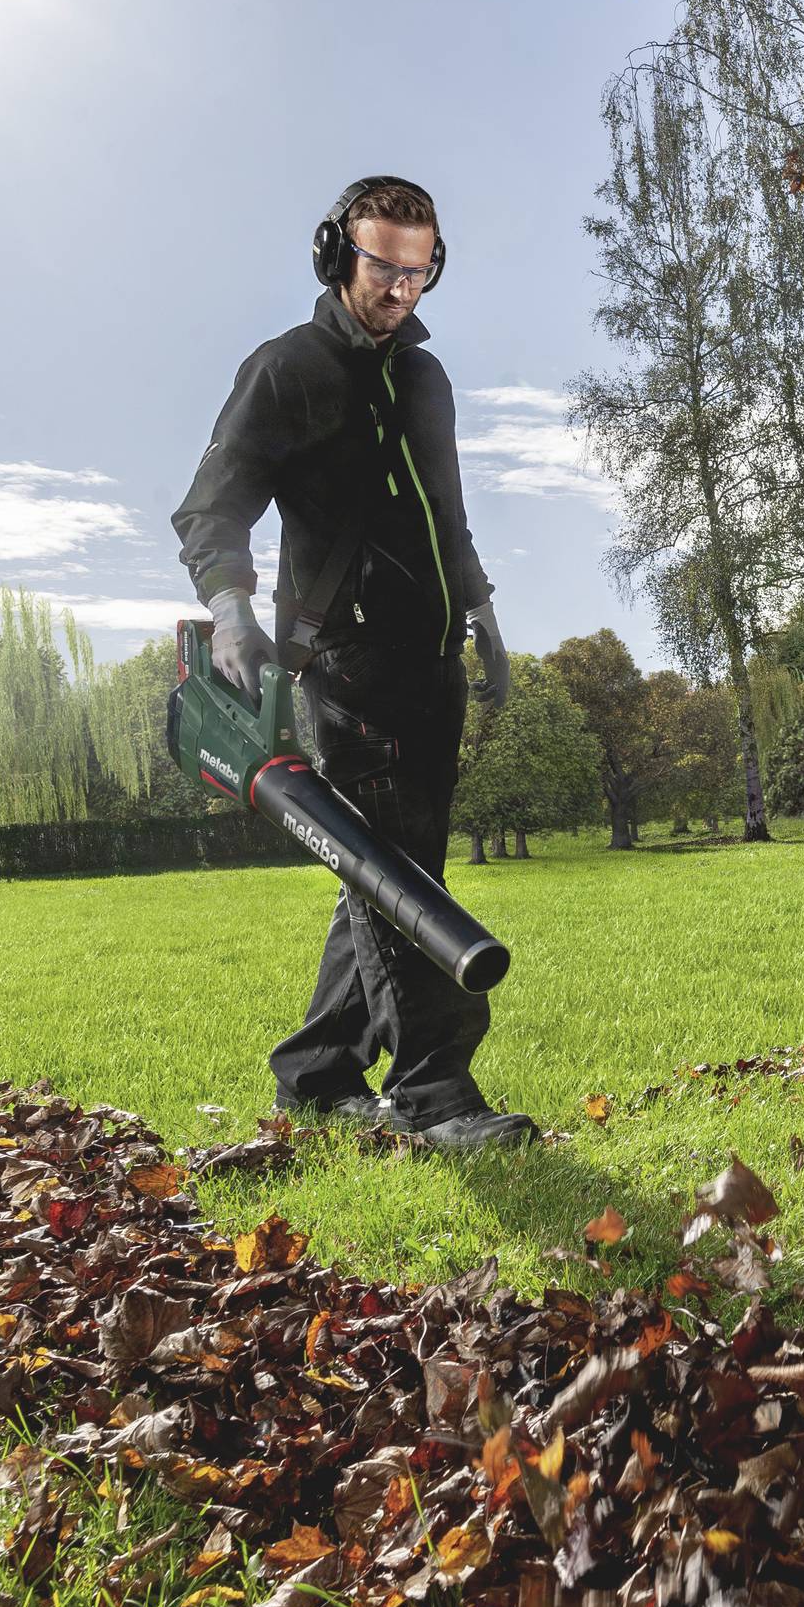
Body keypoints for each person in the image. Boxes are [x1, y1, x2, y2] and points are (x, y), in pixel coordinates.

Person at [170, 175, 537, 1151]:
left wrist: (485, 611)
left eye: (419, 273)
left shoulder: (425, 379)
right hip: (344, 659)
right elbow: (212, 506)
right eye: (383, 268)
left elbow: (445, 515)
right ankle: (435, 1091)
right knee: (396, 876)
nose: (401, 291)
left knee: (388, 869)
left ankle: (320, 1073)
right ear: (339, 255)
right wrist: (232, 613)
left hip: (432, 652)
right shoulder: (285, 371)